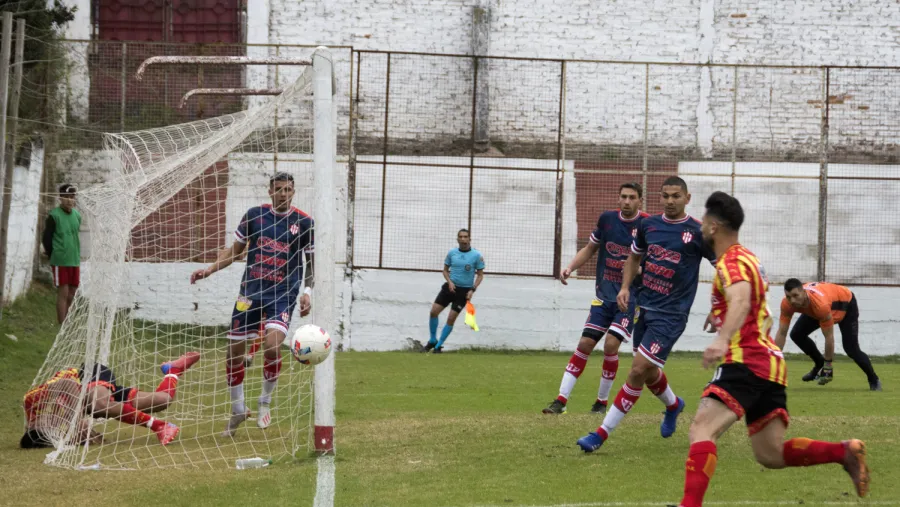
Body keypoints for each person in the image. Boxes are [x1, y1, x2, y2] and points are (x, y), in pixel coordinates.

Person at [671, 191, 868, 507]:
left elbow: (741, 299)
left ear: (713, 226)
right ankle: (842, 451)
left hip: (745, 359)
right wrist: (720, 313)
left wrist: (722, 338)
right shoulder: (749, 259)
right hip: (770, 362)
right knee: (771, 454)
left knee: (701, 429)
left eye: (704, 220)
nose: (701, 226)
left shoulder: (729, 263)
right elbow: (753, 306)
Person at [577, 176, 715, 452]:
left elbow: (721, 267)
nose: (670, 201)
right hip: (644, 308)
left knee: (638, 369)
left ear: (688, 198)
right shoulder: (647, 225)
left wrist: (717, 304)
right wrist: (625, 287)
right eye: (665, 196)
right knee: (650, 371)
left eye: (676, 196)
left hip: (672, 315)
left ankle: (600, 434)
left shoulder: (699, 232)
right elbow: (634, 258)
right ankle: (674, 405)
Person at [190, 172, 314, 436]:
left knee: (271, 346)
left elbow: (312, 262)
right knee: (234, 353)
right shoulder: (254, 216)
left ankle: (264, 401)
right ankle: (237, 411)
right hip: (249, 295)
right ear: (270, 191)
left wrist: (307, 292)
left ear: (294, 192)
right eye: (279, 189)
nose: (283, 193)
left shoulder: (304, 223)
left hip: (282, 295)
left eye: (288, 189)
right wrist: (210, 270)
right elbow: (235, 252)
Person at [543, 182, 647, 415]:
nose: (627, 201)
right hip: (603, 296)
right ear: (618, 198)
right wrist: (570, 267)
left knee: (611, 344)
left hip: (629, 298)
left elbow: (654, 262)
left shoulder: (647, 225)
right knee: (585, 344)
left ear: (640, 200)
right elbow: (590, 248)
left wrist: (639, 271)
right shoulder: (607, 219)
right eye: (623, 197)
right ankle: (560, 401)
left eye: (632, 197)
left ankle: (601, 402)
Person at [20, 352, 200, 448]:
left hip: (88, 375)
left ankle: (159, 425)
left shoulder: (31, 402)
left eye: (46, 425)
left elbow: (66, 385)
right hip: (94, 396)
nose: (52, 427)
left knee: (98, 404)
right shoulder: (52, 431)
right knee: (163, 400)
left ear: (36, 423)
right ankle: (173, 371)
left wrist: (77, 421)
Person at [774, 279, 881, 390]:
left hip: (845, 303)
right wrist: (774, 362)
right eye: (789, 297)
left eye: (795, 295)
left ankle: (873, 379)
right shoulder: (787, 304)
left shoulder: (820, 306)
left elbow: (829, 337)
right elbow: (782, 333)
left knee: (851, 348)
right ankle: (819, 364)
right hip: (824, 304)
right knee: (797, 334)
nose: (792, 300)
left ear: (804, 292)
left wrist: (828, 366)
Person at [421, 229, 484, 353]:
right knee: (434, 312)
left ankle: (438, 346)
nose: (463, 239)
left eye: (465, 237)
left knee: (450, 319)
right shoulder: (452, 253)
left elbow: (480, 275)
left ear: (469, 239)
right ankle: (432, 340)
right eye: (460, 237)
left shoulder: (477, 255)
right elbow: (445, 270)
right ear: (457, 239)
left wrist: (472, 290)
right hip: (450, 288)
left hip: (464, 292)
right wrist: (449, 282)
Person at [42, 183, 82, 324]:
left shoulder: (77, 216)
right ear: (60, 198)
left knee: (72, 293)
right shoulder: (54, 216)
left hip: (74, 259)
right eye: (66, 197)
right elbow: (46, 238)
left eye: (72, 197)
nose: (69, 200)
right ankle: (61, 325)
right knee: (63, 293)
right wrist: (52, 254)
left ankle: (68, 324)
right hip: (61, 260)